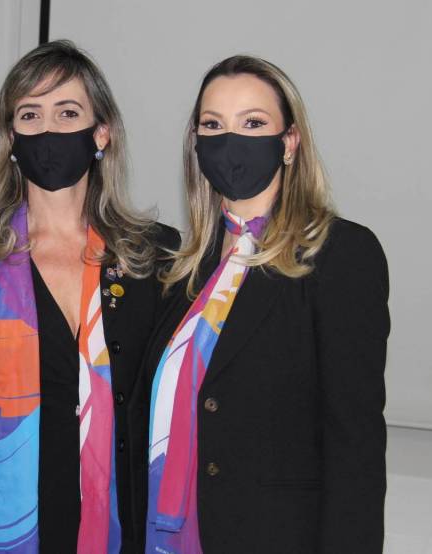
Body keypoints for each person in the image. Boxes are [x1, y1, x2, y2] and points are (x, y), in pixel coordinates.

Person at [0, 41, 180, 553]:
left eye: (67, 113)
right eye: (30, 115)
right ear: (11, 138)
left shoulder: (154, 254)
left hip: (120, 520)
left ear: (102, 133)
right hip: (4, 520)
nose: (48, 130)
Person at [133, 55, 390, 553]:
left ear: (289, 142)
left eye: (252, 123)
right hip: (169, 530)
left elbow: (354, 443)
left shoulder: (340, 254)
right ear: (196, 143)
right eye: (213, 125)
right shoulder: (182, 265)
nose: (230, 141)